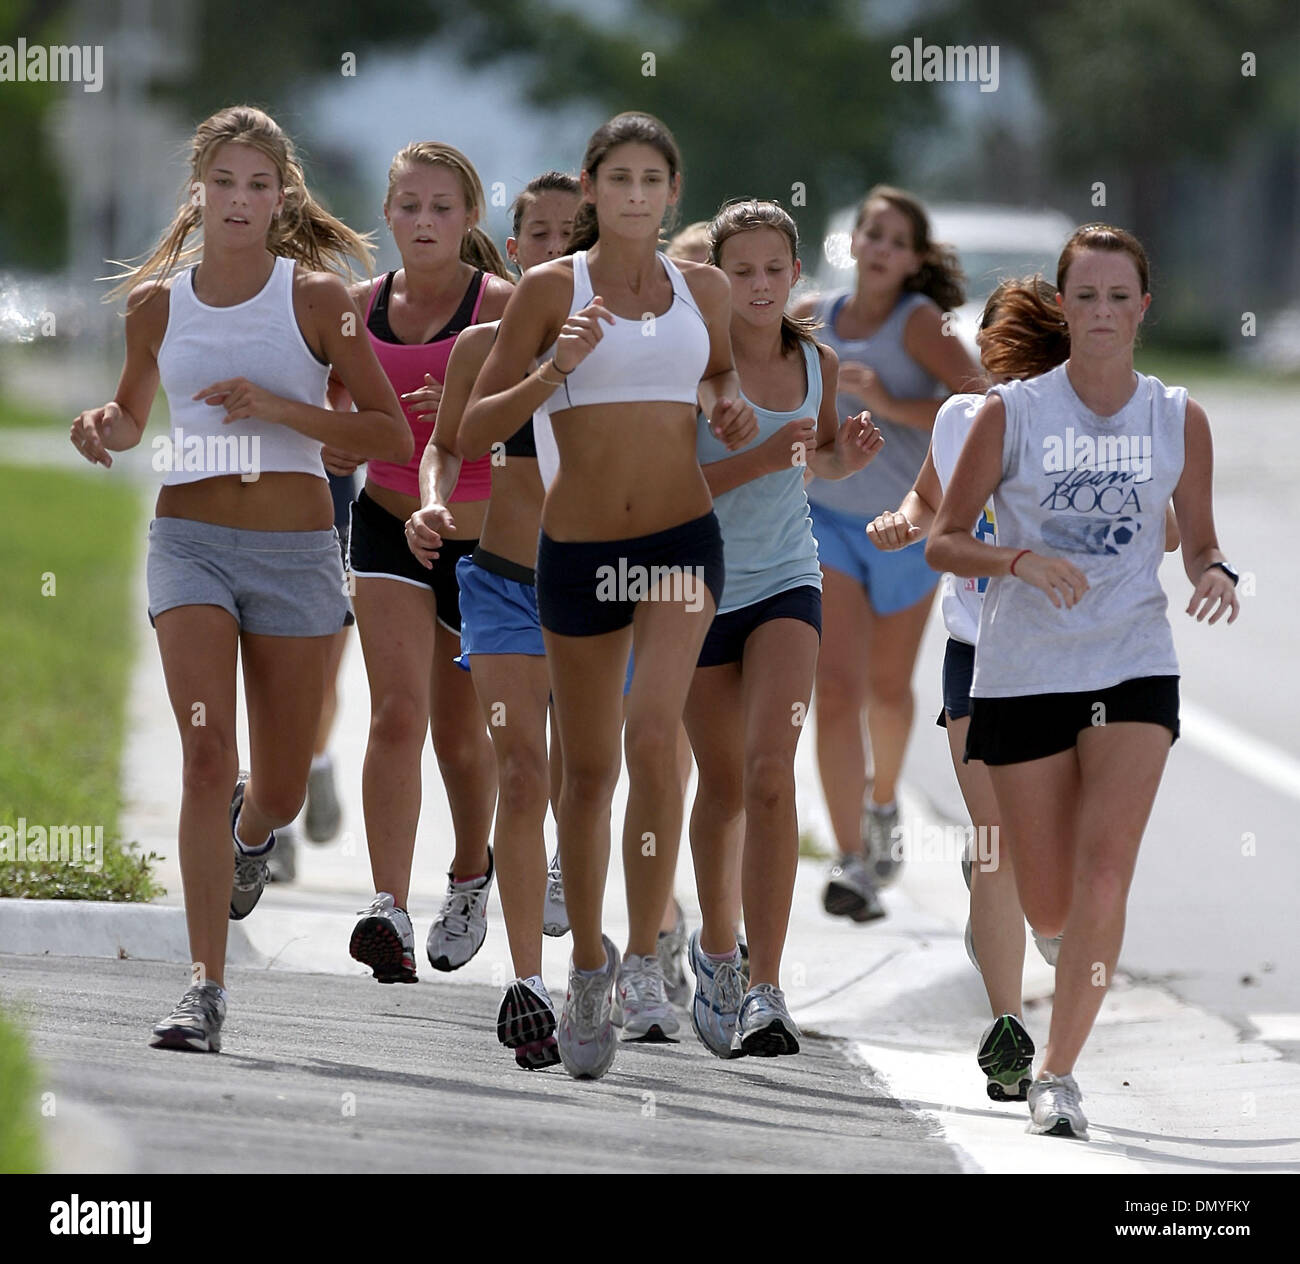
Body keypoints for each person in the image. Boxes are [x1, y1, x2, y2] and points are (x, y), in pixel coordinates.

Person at [73, 104, 410, 1052]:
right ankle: (202, 987)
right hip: (188, 545)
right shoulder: (158, 304)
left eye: (259, 185)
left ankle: (254, 836)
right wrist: (104, 427)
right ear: (200, 191)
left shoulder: (317, 301)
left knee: (281, 786)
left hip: (297, 552)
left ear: (280, 199)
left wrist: (280, 409)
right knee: (205, 755)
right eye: (224, 181)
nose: (240, 199)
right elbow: (137, 413)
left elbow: (386, 433)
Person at [462, 111, 757, 1080]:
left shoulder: (703, 288)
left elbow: (713, 371)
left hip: (679, 542)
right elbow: (473, 425)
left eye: (651, 180)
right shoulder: (552, 289)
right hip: (579, 550)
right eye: (617, 178)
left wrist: (723, 401)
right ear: (590, 190)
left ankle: (647, 958)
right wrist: (557, 367)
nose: (635, 195)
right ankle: (583, 962)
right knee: (585, 776)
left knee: (652, 735)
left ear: (674, 192)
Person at [927, 225, 1239, 1138]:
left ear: (1145, 307)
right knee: (1052, 900)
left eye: (1120, 297)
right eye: (1086, 297)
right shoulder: (1010, 414)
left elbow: (1201, 536)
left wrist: (1215, 572)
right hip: (1022, 673)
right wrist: (1019, 560)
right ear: (1062, 309)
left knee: (1108, 876)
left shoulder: (1177, 417)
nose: (1103, 314)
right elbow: (947, 539)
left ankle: (1057, 1074)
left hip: (1134, 661)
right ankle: (1045, 959)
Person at [686, 199, 882, 1058]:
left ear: (796, 274)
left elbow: (821, 456)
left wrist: (849, 457)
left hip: (784, 583)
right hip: (690, 590)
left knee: (772, 774)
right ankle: (715, 954)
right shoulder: (692, 362)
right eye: (742, 271)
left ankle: (766, 988)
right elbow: (668, 488)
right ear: (716, 278)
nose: (759, 285)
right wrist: (764, 457)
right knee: (721, 786)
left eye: (774, 269)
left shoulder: (817, 362)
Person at [328, 142, 514, 985]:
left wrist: (470, 411)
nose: (425, 221)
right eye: (409, 206)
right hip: (388, 525)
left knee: (460, 735)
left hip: (485, 539)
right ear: (388, 214)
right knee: (394, 716)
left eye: (443, 207)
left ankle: (471, 875)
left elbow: (545, 425)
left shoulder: (505, 306)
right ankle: (388, 908)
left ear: (471, 217)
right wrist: (341, 438)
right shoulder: (358, 307)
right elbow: (344, 412)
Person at [409, 169, 582, 1069]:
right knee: (520, 770)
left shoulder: (633, 344)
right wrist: (429, 504)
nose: (552, 249)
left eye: (569, 235)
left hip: (601, 587)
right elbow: (446, 445)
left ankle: (610, 958)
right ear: (514, 251)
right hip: (506, 583)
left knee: (587, 780)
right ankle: (527, 984)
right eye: (537, 235)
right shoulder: (482, 345)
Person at [789, 186, 981, 922]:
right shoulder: (811, 318)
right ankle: (850, 859)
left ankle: (881, 804)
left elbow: (984, 405)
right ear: (853, 243)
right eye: (872, 234)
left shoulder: (919, 323)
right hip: (829, 519)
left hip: (907, 525)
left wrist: (892, 404)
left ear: (914, 260)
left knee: (886, 689)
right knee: (834, 690)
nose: (881, 249)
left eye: (897, 241)